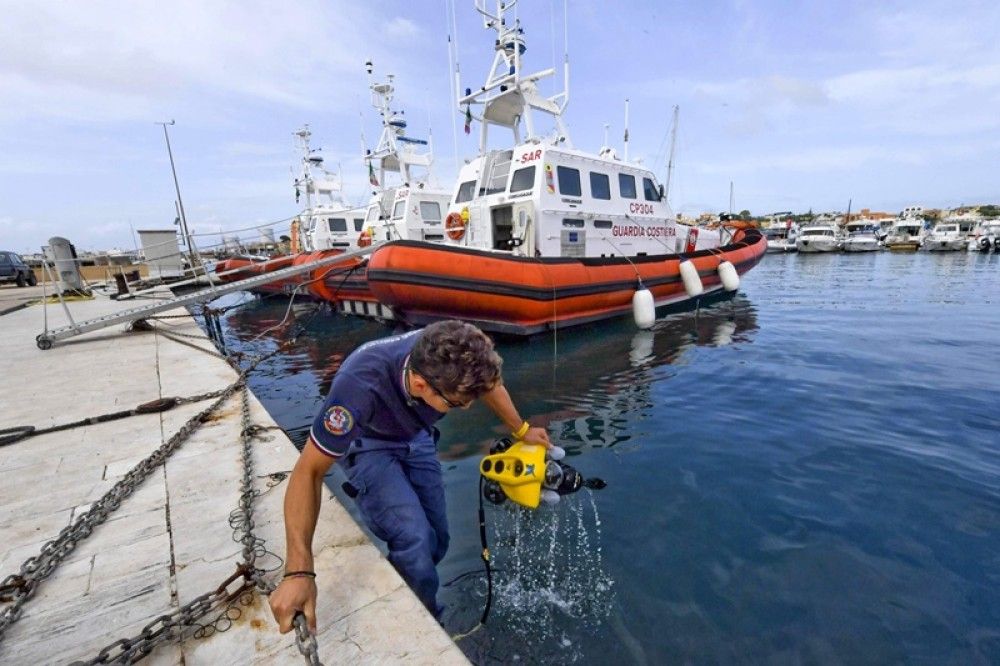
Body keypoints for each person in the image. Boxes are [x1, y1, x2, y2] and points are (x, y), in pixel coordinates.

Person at [268, 320, 550, 633]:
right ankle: (426, 626)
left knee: (437, 539)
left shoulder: (459, 346)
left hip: (417, 435)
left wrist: (522, 430)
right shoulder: (359, 386)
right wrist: (298, 572)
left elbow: (490, 385)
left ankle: (407, 583)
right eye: (457, 403)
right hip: (370, 443)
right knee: (414, 538)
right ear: (419, 385)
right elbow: (309, 471)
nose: (468, 407)